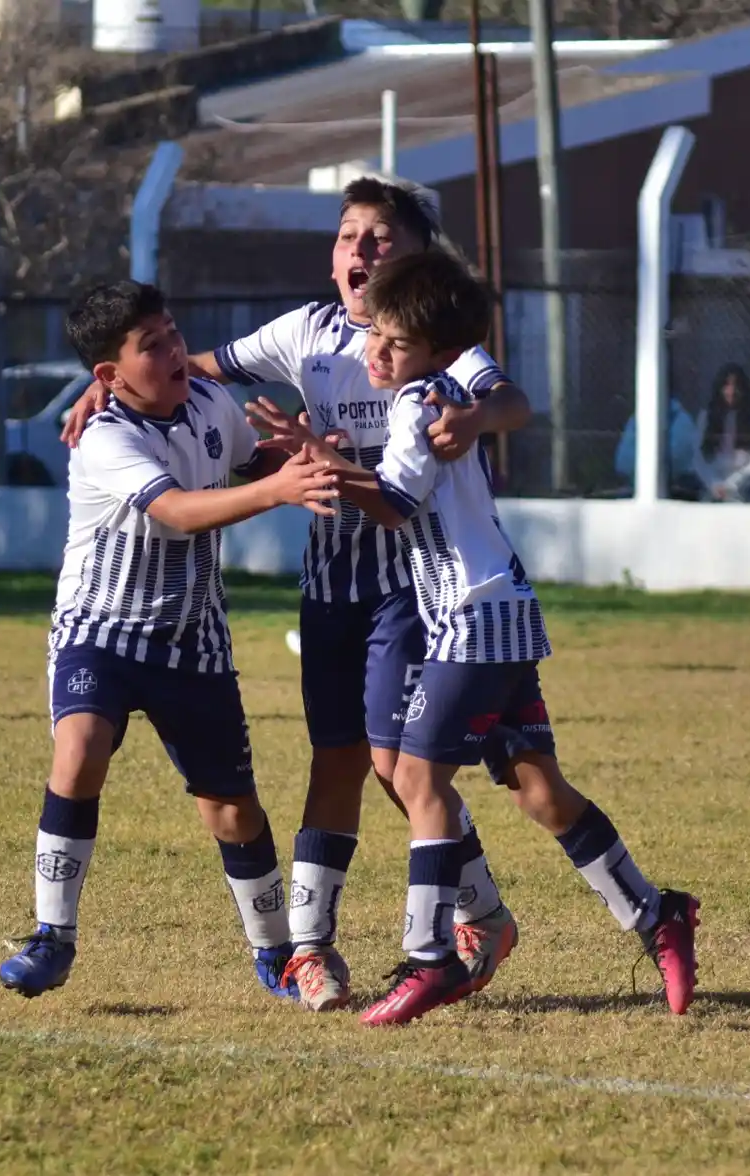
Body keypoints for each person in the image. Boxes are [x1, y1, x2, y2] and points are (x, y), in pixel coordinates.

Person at [62, 178, 534, 1013]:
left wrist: (477, 420)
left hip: (410, 586)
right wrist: (105, 385)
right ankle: (314, 948)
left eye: (381, 237)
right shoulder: (304, 332)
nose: (362, 250)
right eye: (349, 235)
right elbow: (189, 368)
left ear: (417, 259)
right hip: (330, 585)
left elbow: (510, 399)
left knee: (394, 766)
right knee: (337, 759)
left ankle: (476, 917)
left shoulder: (429, 335)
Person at [292, 250, 702, 1026]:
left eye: (396, 344)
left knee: (417, 782)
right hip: (507, 612)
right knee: (540, 792)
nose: (376, 353)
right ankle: (659, 915)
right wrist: (330, 458)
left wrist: (319, 459)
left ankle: (431, 960)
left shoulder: (416, 406)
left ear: (440, 351)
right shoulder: (441, 394)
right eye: (375, 335)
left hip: (470, 620)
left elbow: (392, 506)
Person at [0, 281, 340, 1001]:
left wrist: (298, 457)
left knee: (232, 810)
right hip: (101, 630)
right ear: (109, 375)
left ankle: (275, 953)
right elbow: (179, 511)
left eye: (173, 332)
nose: (175, 350)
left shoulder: (211, 403)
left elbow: (252, 464)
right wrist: (279, 491)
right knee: (80, 750)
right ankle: (52, 936)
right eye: (151, 346)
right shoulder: (104, 436)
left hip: (194, 640)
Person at [691, 364, 750, 502]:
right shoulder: (707, 416)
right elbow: (697, 458)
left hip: (748, 488)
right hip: (713, 488)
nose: (731, 391)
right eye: (726, 386)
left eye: (736, 386)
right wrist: (713, 483)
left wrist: (733, 483)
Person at [613, 395, 700, 499]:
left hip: (678, 488)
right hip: (636, 486)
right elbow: (622, 461)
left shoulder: (681, 420)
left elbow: (677, 460)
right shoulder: (638, 418)